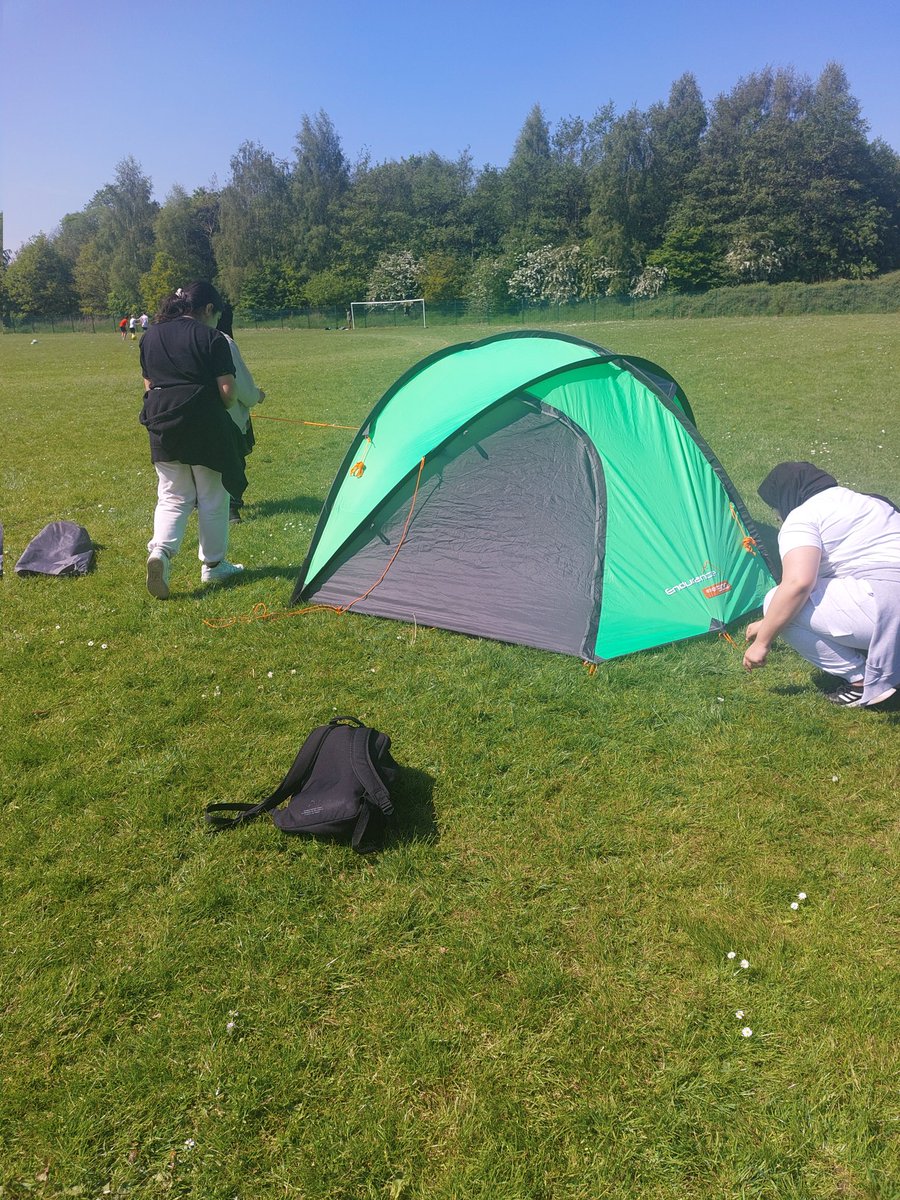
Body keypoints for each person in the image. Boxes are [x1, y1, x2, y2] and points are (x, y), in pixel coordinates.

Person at [743, 461, 900, 707]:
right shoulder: (871, 501)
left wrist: (763, 642)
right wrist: (766, 624)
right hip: (886, 595)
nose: (776, 516)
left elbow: (798, 584)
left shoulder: (802, 517)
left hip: (886, 606)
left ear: (785, 497)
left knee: (777, 598)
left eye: (775, 508)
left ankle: (862, 680)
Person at [139, 281, 247, 599]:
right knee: (213, 497)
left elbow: (149, 386)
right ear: (208, 309)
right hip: (204, 424)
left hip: (161, 421)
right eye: (217, 314)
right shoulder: (211, 337)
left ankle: (160, 552)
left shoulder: (150, 336)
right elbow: (227, 394)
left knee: (172, 496)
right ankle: (214, 566)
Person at [215, 304, 265, 522]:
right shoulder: (222, 341)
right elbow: (240, 387)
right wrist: (257, 396)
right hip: (227, 416)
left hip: (186, 416)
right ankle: (230, 507)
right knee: (233, 461)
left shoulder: (175, 339)